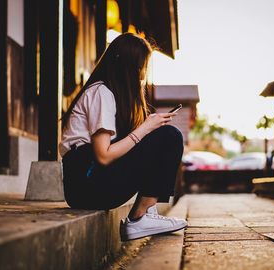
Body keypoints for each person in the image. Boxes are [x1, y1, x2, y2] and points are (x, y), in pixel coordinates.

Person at [59, 33, 187, 241]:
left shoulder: (108, 94)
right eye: (143, 65)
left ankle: (146, 213)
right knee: (169, 136)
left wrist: (147, 129)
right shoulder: (101, 92)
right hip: (87, 183)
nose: (144, 73)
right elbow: (104, 156)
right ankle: (140, 217)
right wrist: (145, 128)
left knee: (162, 135)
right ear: (130, 66)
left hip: (89, 182)